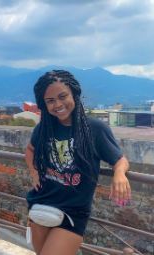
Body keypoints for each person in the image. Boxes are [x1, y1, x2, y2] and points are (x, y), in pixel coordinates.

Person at [25, 70, 131, 255]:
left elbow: (119, 159)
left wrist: (119, 173)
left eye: (62, 96)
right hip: (41, 206)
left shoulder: (95, 129)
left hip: (73, 213)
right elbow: (30, 150)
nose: (57, 104)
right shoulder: (44, 128)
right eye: (50, 101)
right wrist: (34, 172)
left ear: (74, 94)